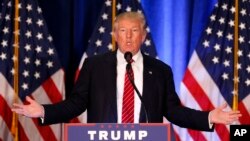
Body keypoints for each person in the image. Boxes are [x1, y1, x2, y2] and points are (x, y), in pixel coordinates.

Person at [12, 12, 241, 131]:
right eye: (123, 30)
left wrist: (209, 117)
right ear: (115, 35)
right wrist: (43, 111)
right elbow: (76, 104)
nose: (129, 36)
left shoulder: (160, 71)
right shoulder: (94, 66)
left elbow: (173, 111)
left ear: (143, 36)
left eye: (134, 31)